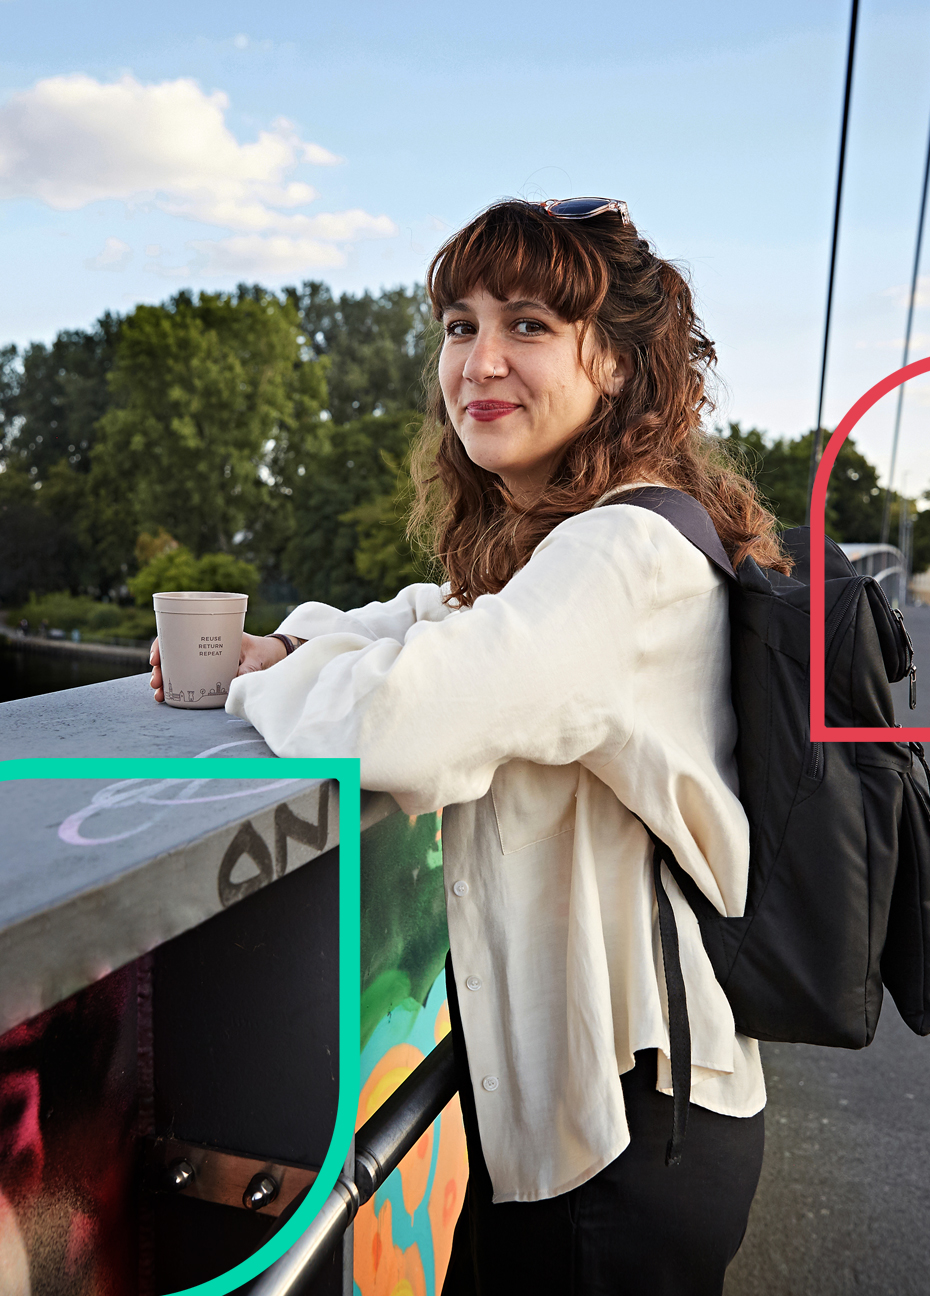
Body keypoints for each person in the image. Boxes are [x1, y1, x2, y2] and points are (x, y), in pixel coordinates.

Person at [150, 198, 789, 1293]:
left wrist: (274, 677)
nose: (479, 359)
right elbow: (432, 617)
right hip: (598, 1105)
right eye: (458, 324)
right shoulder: (583, 540)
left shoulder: (623, 554)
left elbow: (407, 719)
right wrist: (287, 644)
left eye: (530, 325)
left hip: (624, 1125)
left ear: (624, 367)